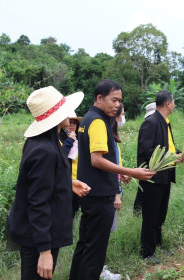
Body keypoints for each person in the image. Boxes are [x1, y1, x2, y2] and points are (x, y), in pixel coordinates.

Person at [69, 79, 154, 280]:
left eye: (119, 101)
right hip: (99, 195)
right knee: (95, 252)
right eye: (113, 100)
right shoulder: (97, 122)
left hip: (90, 192)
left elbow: (98, 159)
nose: (117, 105)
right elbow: (97, 160)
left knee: (85, 245)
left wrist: (118, 172)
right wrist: (132, 171)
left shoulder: (88, 119)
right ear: (100, 98)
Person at [7, 86, 91, 280]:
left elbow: (41, 182)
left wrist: (68, 183)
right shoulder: (44, 150)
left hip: (40, 235)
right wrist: (44, 251)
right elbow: (37, 202)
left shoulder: (46, 142)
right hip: (37, 239)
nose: (70, 116)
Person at [137, 91, 184, 264]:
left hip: (164, 175)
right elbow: (146, 150)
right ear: (168, 104)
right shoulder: (151, 122)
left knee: (160, 214)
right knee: (150, 215)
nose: (175, 104)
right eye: (174, 102)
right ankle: (146, 252)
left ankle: (157, 245)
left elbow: (168, 147)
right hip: (153, 176)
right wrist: (170, 158)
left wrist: (178, 154)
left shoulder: (165, 122)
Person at [133, 102, 157, 215]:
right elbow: (146, 148)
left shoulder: (154, 124)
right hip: (146, 164)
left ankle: (138, 213)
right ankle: (137, 213)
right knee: (143, 190)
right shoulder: (148, 124)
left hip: (152, 164)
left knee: (144, 191)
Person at [109, 103, 130, 231]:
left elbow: (115, 164)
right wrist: (116, 193)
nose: (123, 118)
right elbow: (108, 167)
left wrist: (121, 173)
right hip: (111, 190)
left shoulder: (113, 136)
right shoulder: (109, 138)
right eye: (122, 115)